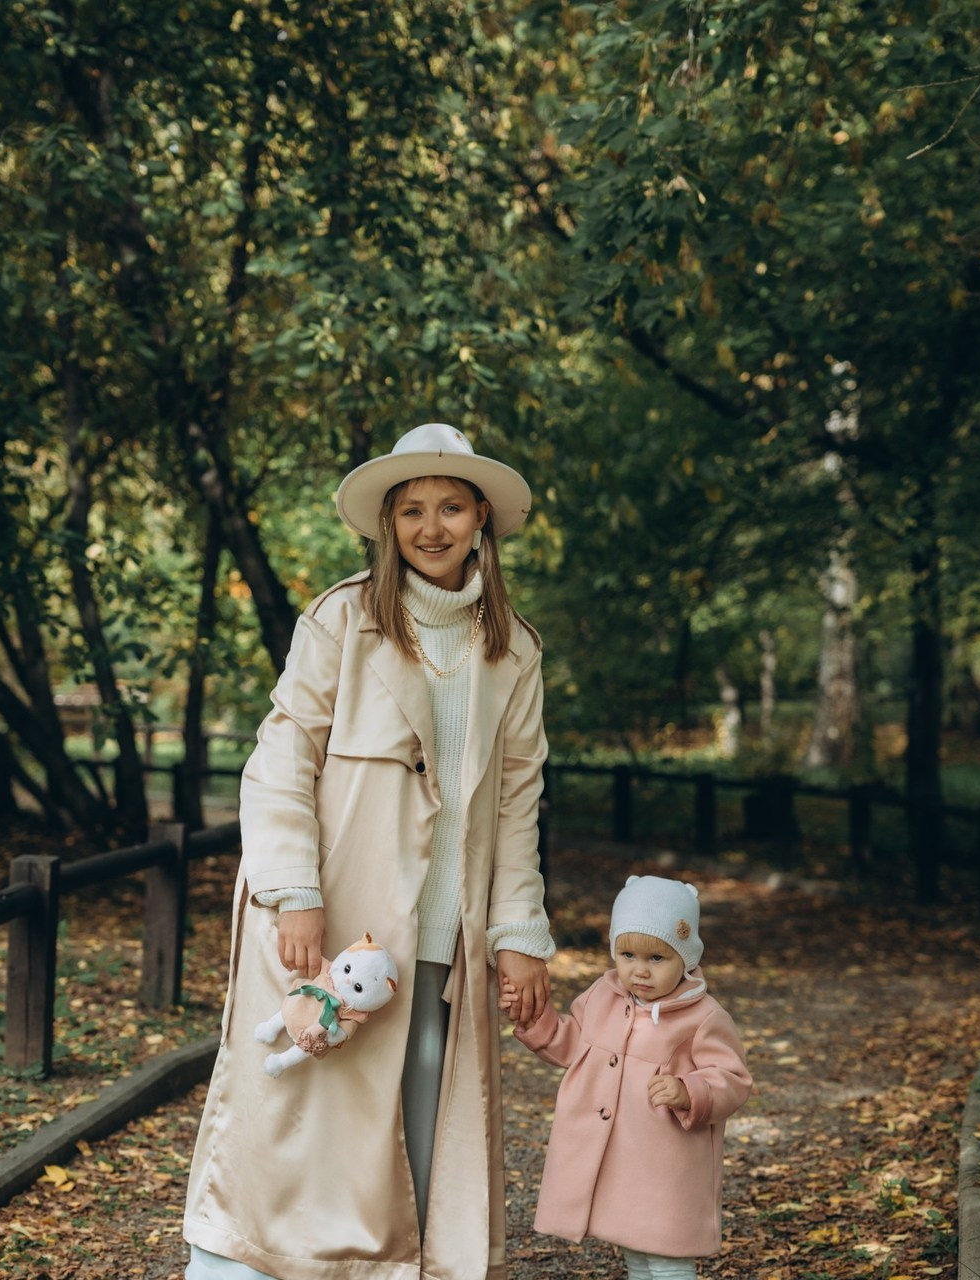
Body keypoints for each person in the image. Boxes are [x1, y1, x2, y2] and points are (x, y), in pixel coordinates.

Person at [183, 422, 555, 1280]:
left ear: (481, 520)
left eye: (451, 508)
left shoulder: (517, 650)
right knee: (296, 1117)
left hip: (442, 933)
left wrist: (520, 933)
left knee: (418, 1127)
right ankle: (236, 1268)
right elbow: (281, 758)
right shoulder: (342, 619)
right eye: (412, 511)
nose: (432, 528)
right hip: (336, 919)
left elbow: (518, 800)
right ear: (387, 524)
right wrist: (292, 887)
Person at [501, 874, 752, 1280]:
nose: (640, 971)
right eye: (628, 955)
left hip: (667, 1164)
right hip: (621, 1159)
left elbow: (733, 1078)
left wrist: (690, 1091)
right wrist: (533, 1018)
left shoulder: (703, 1017)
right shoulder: (602, 997)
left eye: (657, 959)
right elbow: (571, 1043)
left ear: (685, 958)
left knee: (669, 1257)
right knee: (635, 1249)